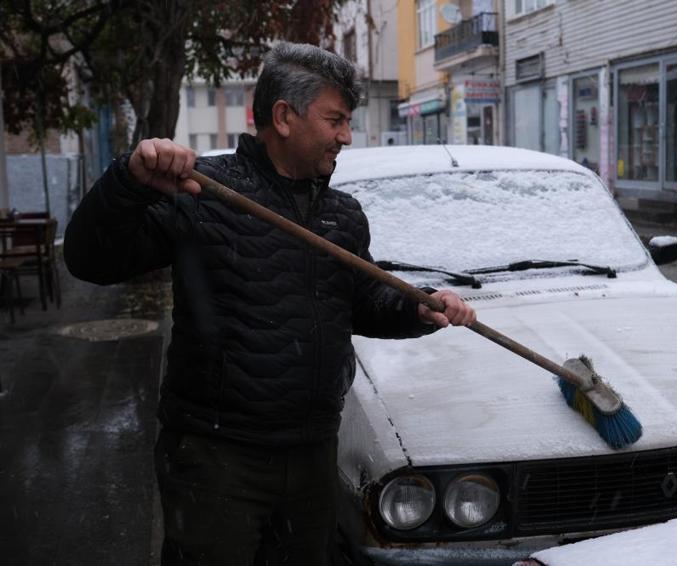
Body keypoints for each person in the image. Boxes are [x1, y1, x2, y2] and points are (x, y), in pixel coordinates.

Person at [64, 42, 476, 565]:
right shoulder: (202, 193)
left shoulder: (343, 215)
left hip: (312, 454)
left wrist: (417, 309)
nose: (346, 136)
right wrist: (127, 183)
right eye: (335, 120)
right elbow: (90, 259)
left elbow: (360, 301)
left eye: (347, 123)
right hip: (218, 460)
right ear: (283, 117)